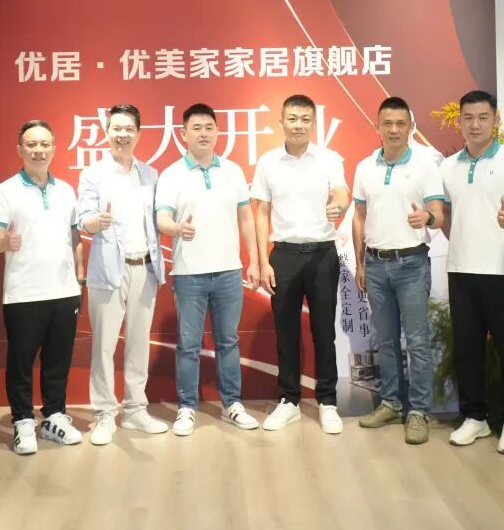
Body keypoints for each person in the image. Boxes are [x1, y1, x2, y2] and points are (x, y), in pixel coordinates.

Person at [155, 103, 260, 436]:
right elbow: (162, 218)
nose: (203, 133)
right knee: (188, 344)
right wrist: (176, 229)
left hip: (229, 271)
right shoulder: (171, 174)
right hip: (189, 274)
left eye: (209, 127)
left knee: (228, 341)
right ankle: (187, 407)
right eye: (196, 128)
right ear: (183, 134)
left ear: (217, 132)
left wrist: (255, 260)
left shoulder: (233, 171)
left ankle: (232, 404)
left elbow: (246, 218)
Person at [0, 120, 86, 454]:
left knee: (58, 361)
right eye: (31, 144)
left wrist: (79, 277)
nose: (38, 150)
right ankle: (23, 421)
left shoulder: (65, 190)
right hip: (24, 293)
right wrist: (5, 241)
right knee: (21, 362)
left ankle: (54, 417)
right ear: (20, 149)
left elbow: (75, 237)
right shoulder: (5, 191)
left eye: (44, 144)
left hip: (64, 291)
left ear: (54, 149)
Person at [439, 90, 504, 454]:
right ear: (459, 121)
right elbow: (447, 215)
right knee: (467, 351)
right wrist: (464, 241)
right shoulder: (448, 166)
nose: (475, 124)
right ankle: (474, 418)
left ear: (496, 120)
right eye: (468, 118)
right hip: (462, 270)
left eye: (482, 117)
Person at [252, 94, 349, 434]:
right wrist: (262, 259)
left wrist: (338, 206)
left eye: (305, 119)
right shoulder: (268, 162)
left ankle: (327, 402)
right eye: (292, 119)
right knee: (286, 332)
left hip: (322, 254)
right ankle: (289, 400)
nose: (298, 125)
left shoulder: (329, 159)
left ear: (314, 123)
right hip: (284, 256)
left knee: (324, 330)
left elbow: (341, 193)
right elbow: (261, 212)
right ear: (281, 122)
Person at [352, 96, 445, 445]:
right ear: (377, 126)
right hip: (375, 264)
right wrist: (360, 263)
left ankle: (418, 410)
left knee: (417, 342)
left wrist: (428, 218)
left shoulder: (425, 165)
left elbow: (439, 214)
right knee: (386, 340)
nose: (393, 130)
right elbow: (359, 217)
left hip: (411, 263)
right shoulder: (365, 167)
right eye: (387, 124)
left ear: (410, 127)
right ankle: (390, 403)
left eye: (400, 124)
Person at [77, 104, 169, 446]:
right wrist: (95, 222)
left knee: (138, 343)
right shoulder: (93, 174)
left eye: (129, 128)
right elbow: (83, 218)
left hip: (145, 267)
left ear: (138, 134)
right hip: (108, 271)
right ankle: (104, 413)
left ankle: (134, 409)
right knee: (103, 345)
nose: (122, 134)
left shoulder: (151, 174)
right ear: (106, 132)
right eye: (116, 128)